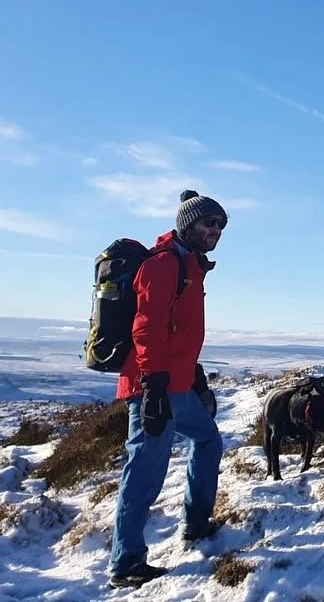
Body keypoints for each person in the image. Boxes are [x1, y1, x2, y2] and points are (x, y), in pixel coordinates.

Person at [109, 191, 228, 589]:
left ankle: (195, 526)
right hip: (152, 387)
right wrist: (155, 385)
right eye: (208, 223)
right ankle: (126, 563)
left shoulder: (191, 266)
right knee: (144, 473)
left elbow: (179, 329)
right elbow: (146, 328)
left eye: (220, 225)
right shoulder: (164, 265)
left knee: (208, 440)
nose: (215, 231)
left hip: (176, 382)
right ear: (187, 225)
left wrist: (193, 372)